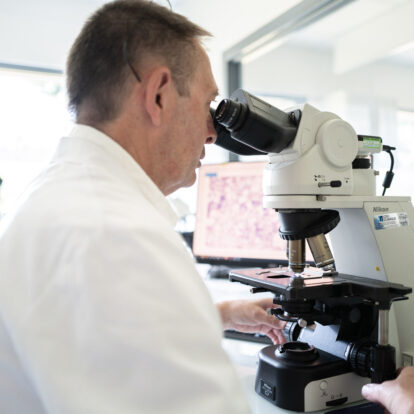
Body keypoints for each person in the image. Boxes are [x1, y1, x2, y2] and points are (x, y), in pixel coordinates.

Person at [0, 1, 285, 413]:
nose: (211, 133)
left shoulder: (58, 194)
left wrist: (212, 314)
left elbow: (82, 328)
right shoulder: (118, 238)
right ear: (158, 95)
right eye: (207, 107)